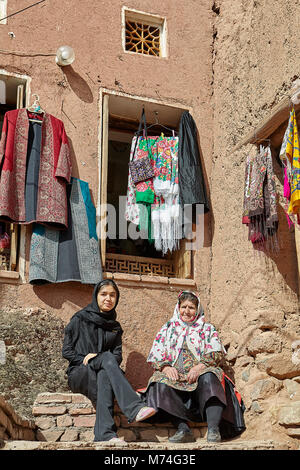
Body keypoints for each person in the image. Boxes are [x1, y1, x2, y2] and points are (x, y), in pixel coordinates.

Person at [141, 291, 246, 443]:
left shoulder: (207, 329)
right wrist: (165, 367)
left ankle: (214, 430)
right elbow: (155, 354)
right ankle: (183, 429)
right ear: (178, 308)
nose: (187, 311)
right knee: (157, 381)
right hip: (176, 379)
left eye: (191, 307)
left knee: (211, 375)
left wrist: (199, 367)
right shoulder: (167, 329)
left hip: (200, 376)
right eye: (184, 307)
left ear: (198, 310)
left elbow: (216, 353)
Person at [62, 279, 156, 444]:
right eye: (103, 294)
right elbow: (67, 351)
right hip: (81, 373)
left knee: (105, 372)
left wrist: (101, 358)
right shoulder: (80, 319)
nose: (108, 298)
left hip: (104, 371)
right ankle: (134, 407)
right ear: (95, 296)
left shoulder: (115, 327)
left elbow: (117, 356)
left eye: (113, 295)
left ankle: (105, 435)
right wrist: (84, 358)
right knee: (106, 358)